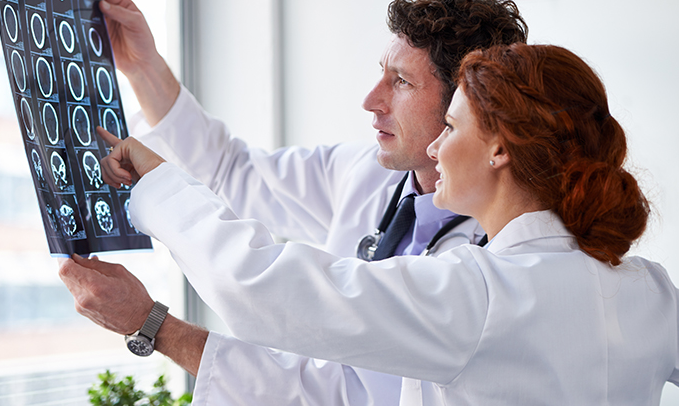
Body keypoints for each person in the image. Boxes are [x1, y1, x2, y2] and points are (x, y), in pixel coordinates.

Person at [94, 43, 679, 405]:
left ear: (500, 149)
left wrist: (156, 183)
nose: (438, 149)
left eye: (450, 129)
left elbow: (263, 285)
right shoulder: (648, 288)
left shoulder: (476, 294)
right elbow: (238, 175)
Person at [61, 0, 527, 404]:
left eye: (401, 82)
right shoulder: (366, 174)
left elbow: (291, 328)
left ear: (466, 106)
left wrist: (151, 322)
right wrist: (144, 68)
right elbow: (231, 171)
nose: (371, 100)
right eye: (382, 73)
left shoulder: (500, 258)